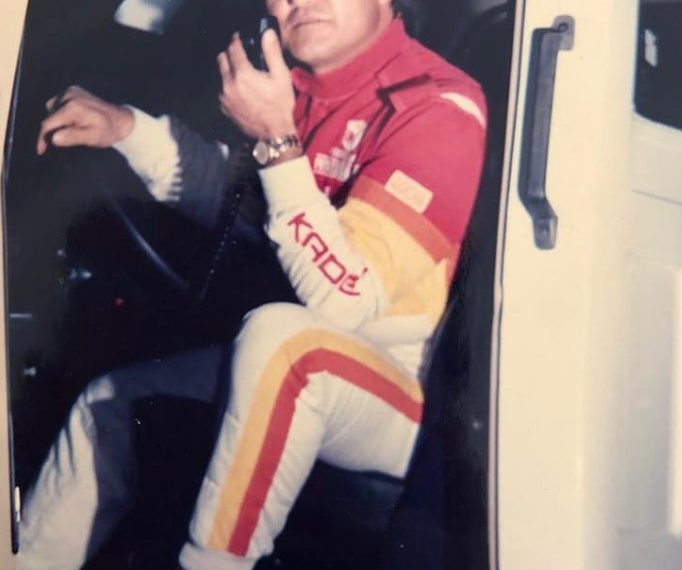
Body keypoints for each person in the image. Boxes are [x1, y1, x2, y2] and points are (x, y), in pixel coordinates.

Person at [18, 0, 487, 568]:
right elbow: (239, 200)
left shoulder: (439, 105)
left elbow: (347, 303)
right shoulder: (297, 92)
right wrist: (125, 129)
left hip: (400, 387)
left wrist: (277, 140)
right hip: (299, 354)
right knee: (108, 405)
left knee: (282, 340)